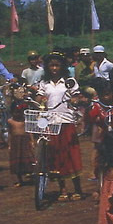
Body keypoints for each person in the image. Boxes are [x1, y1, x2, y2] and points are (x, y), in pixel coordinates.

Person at [35, 53, 85, 200]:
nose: (55, 68)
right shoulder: (44, 83)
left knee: (71, 154)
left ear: (62, 66)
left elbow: (76, 96)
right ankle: (62, 189)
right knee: (56, 155)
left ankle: (77, 189)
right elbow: (39, 97)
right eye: (52, 65)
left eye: (57, 65)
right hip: (51, 122)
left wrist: (75, 100)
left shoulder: (69, 81)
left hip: (67, 120)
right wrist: (38, 99)